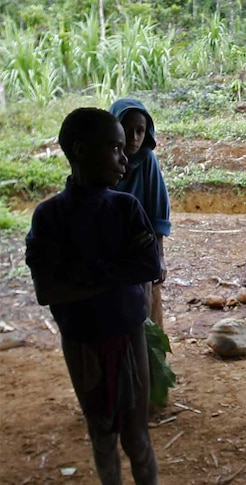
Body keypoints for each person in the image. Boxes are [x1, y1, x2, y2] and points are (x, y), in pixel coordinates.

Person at [25, 108, 161, 485]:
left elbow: (148, 267)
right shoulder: (50, 216)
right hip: (85, 343)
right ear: (82, 151)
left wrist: (83, 275)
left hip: (123, 336)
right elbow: (47, 291)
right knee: (104, 436)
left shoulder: (125, 207)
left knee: (135, 438)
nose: (125, 156)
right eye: (115, 148)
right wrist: (115, 272)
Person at [108, 98, 171, 329]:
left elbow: (157, 209)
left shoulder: (147, 161)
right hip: (110, 253)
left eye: (140, 131)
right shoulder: (100, 163)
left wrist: (159, 256)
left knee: (146, 320)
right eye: (127, 129)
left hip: (140, 249)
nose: (134, 138)